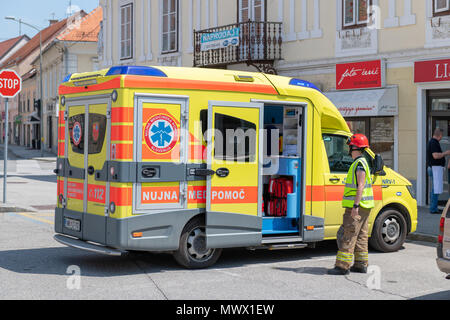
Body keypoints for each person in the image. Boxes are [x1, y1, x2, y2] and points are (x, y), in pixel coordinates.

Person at [328, 134, 375, 275]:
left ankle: (342, 266)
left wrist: (355, 206)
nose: (349, 149)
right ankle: (361, 264)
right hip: (365, 206)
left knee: (348, 234)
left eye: (350, 146)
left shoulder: (359, 164)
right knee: (361, 236)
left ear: (355, 148)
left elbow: (360, 186)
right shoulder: (363, 162)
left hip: (357, 207)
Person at [426, 128, 450, 214]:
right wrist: (445, 153)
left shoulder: (433, 142)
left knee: (435, 189)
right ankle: (433, 208)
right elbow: (435, 156)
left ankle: (434, 207)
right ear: (439, 135)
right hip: (434, 168)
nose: (441, 137)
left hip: (435, 168)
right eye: (441, 135)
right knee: (435, 189)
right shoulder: (433, 142)